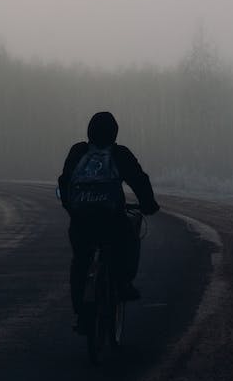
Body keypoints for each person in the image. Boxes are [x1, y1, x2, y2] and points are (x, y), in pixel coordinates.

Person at [58, 111, 160, 332]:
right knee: (128, 241)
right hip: (111, 219)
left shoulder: (78, 152)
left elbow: (64, 182)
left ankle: (82, 314)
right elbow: (139, 180)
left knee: (81, 262)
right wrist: (148, 205)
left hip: (81, 221)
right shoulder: (119, 154)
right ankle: (123, 284)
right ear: (114, 133)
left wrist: (72, 209)